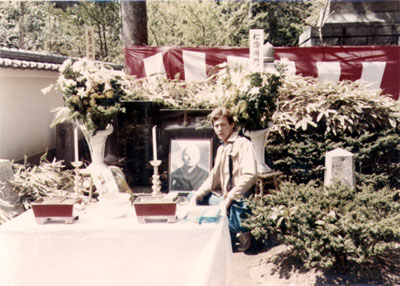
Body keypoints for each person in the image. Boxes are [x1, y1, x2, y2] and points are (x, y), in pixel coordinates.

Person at [189, 106, 258, 252]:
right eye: (216, 126)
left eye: (223, 125)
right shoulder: (222, 148)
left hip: (239, 202)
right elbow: (213, 178)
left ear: (232, 124)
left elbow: (250, 175)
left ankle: (241, 231)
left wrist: (230, 198)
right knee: (193, 197)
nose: (220, 129)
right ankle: (224, 232)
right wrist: (198, 195)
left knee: (234, 221)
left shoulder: (243, 144)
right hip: (224, 200)